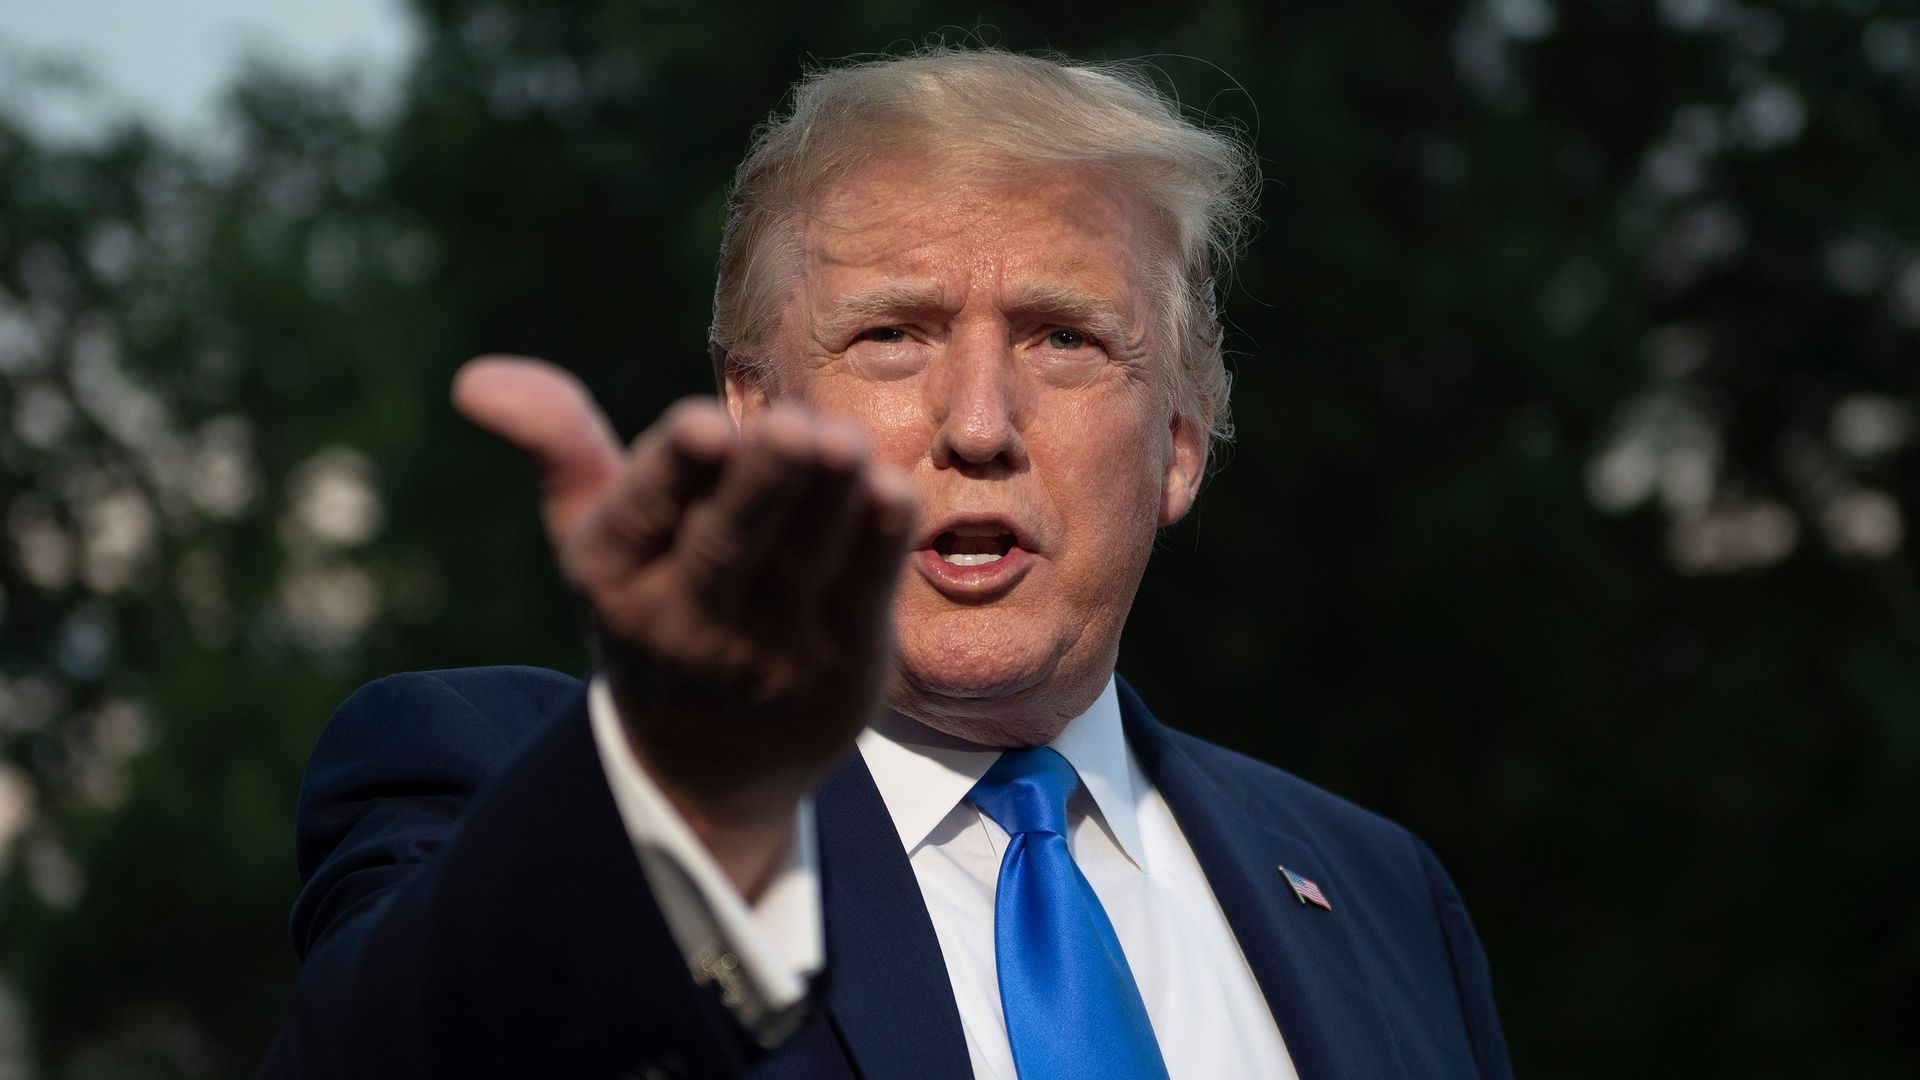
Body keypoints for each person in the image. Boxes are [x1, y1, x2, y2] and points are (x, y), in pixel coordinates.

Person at [261, 47, 1512, 1080]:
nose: (978, 422)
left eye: (1064, 338)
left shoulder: (1381, 896)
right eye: (893, 337)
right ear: (755, 419)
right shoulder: (494, 782)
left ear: (1180, 442)